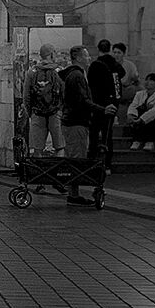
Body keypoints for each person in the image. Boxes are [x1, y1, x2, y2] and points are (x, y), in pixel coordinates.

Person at [59, 45, 97, 203]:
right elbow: (83, 100)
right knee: (76, 158)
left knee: (74, 156)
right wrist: (101, 109)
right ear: (79, 58)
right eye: (87, 55)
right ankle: (73, 194)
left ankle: (73, 192)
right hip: (76, 122)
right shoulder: (76, 76)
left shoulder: (76, 74)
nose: (89, 58)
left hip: (72, 121)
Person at [87, 39, 128, 165]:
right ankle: (107, 163)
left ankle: (92, 161)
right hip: (112, 103)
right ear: (109, 49)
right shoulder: (114, 64)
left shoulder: (95, 65)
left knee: (94, 133)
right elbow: (122, 75)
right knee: (107, 134)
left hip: (98, 104)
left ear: (98, 49)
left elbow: (90, 83)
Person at [24, 47, 61, 156]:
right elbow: (64, 92)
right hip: (55, 113)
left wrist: (31, 112)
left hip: (37, 113)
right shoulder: (59, 71)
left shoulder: (32, 72)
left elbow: (26, 96)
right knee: (59, 147)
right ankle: (57, 171)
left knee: (37, 148)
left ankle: (38, 172)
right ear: (51, 54)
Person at [121, 73, 155, 149]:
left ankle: (149, 142)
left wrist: (142, 119)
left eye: (151, 80)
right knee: (137, 113)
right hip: (139, 120)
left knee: (150, 115)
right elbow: (134, 105)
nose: (147, 82)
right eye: (146, 80)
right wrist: (131, 115)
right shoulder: (139, 94)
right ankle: (136, 141)